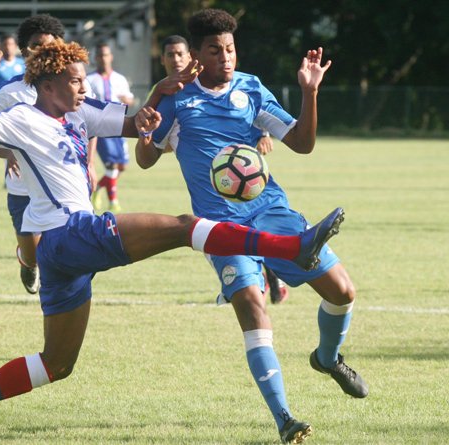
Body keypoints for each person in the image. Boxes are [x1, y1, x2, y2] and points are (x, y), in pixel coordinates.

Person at [0, 38, 345, 434]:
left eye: (84, 81)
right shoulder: (22, 118)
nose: (84, 89)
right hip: (70, 234)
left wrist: (159, 94)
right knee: (183, 227)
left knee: (56, 364)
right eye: (76, 82)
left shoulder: (78, 112)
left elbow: (137, 123)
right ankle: (294, 247)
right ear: (47, 86)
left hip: (60, 255)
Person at [136, 9, 367, 444]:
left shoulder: (250, 88)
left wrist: (309, 92)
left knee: (343, 292)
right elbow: (145, 159)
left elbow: (302, 143)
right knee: (251, 303)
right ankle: (284, 418)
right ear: (196, 57)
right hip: (221, 228)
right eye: (214, 50)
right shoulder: (176, 98)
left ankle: (327, 358)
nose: (226, 57)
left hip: (271, 211)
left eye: (230, 49)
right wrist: (149, 125)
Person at [157, 34, 289, 305]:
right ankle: (245, 281)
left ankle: (263, 278)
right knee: (227, 233)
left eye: (179, 54)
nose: (176, 59)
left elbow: (247, 111)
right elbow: (153, 147)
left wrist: (263, 132)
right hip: (211, 186)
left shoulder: (232, 82)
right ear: (163, 59)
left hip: (242, 177)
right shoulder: (169, 95)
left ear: (190, 56)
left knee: (253, 227)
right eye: (170, 55)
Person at [0, 15, 69, 294]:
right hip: (21, 186)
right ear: (25, 50)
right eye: (35, 45)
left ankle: (61, 290)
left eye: (49, 45)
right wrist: (8, 154)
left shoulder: (70, 84)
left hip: (60, 184)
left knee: (63, 246)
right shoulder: (10, 92)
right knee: (32, 251)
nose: (42, 51)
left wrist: (87, 161)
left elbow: (88, 126)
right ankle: (27, 262)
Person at [87, 43, 135, 213]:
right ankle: (113, 202)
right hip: (101, 127)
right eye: (100, 55)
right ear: (95, 58)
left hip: (119, 126)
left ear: (111, 57)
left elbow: (130, 99)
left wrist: (127, 100)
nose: (103, 58)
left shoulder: (119, 79)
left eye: (106, 55)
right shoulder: (89, 79)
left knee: (122, 166)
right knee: (112, 165)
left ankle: (98, 188)